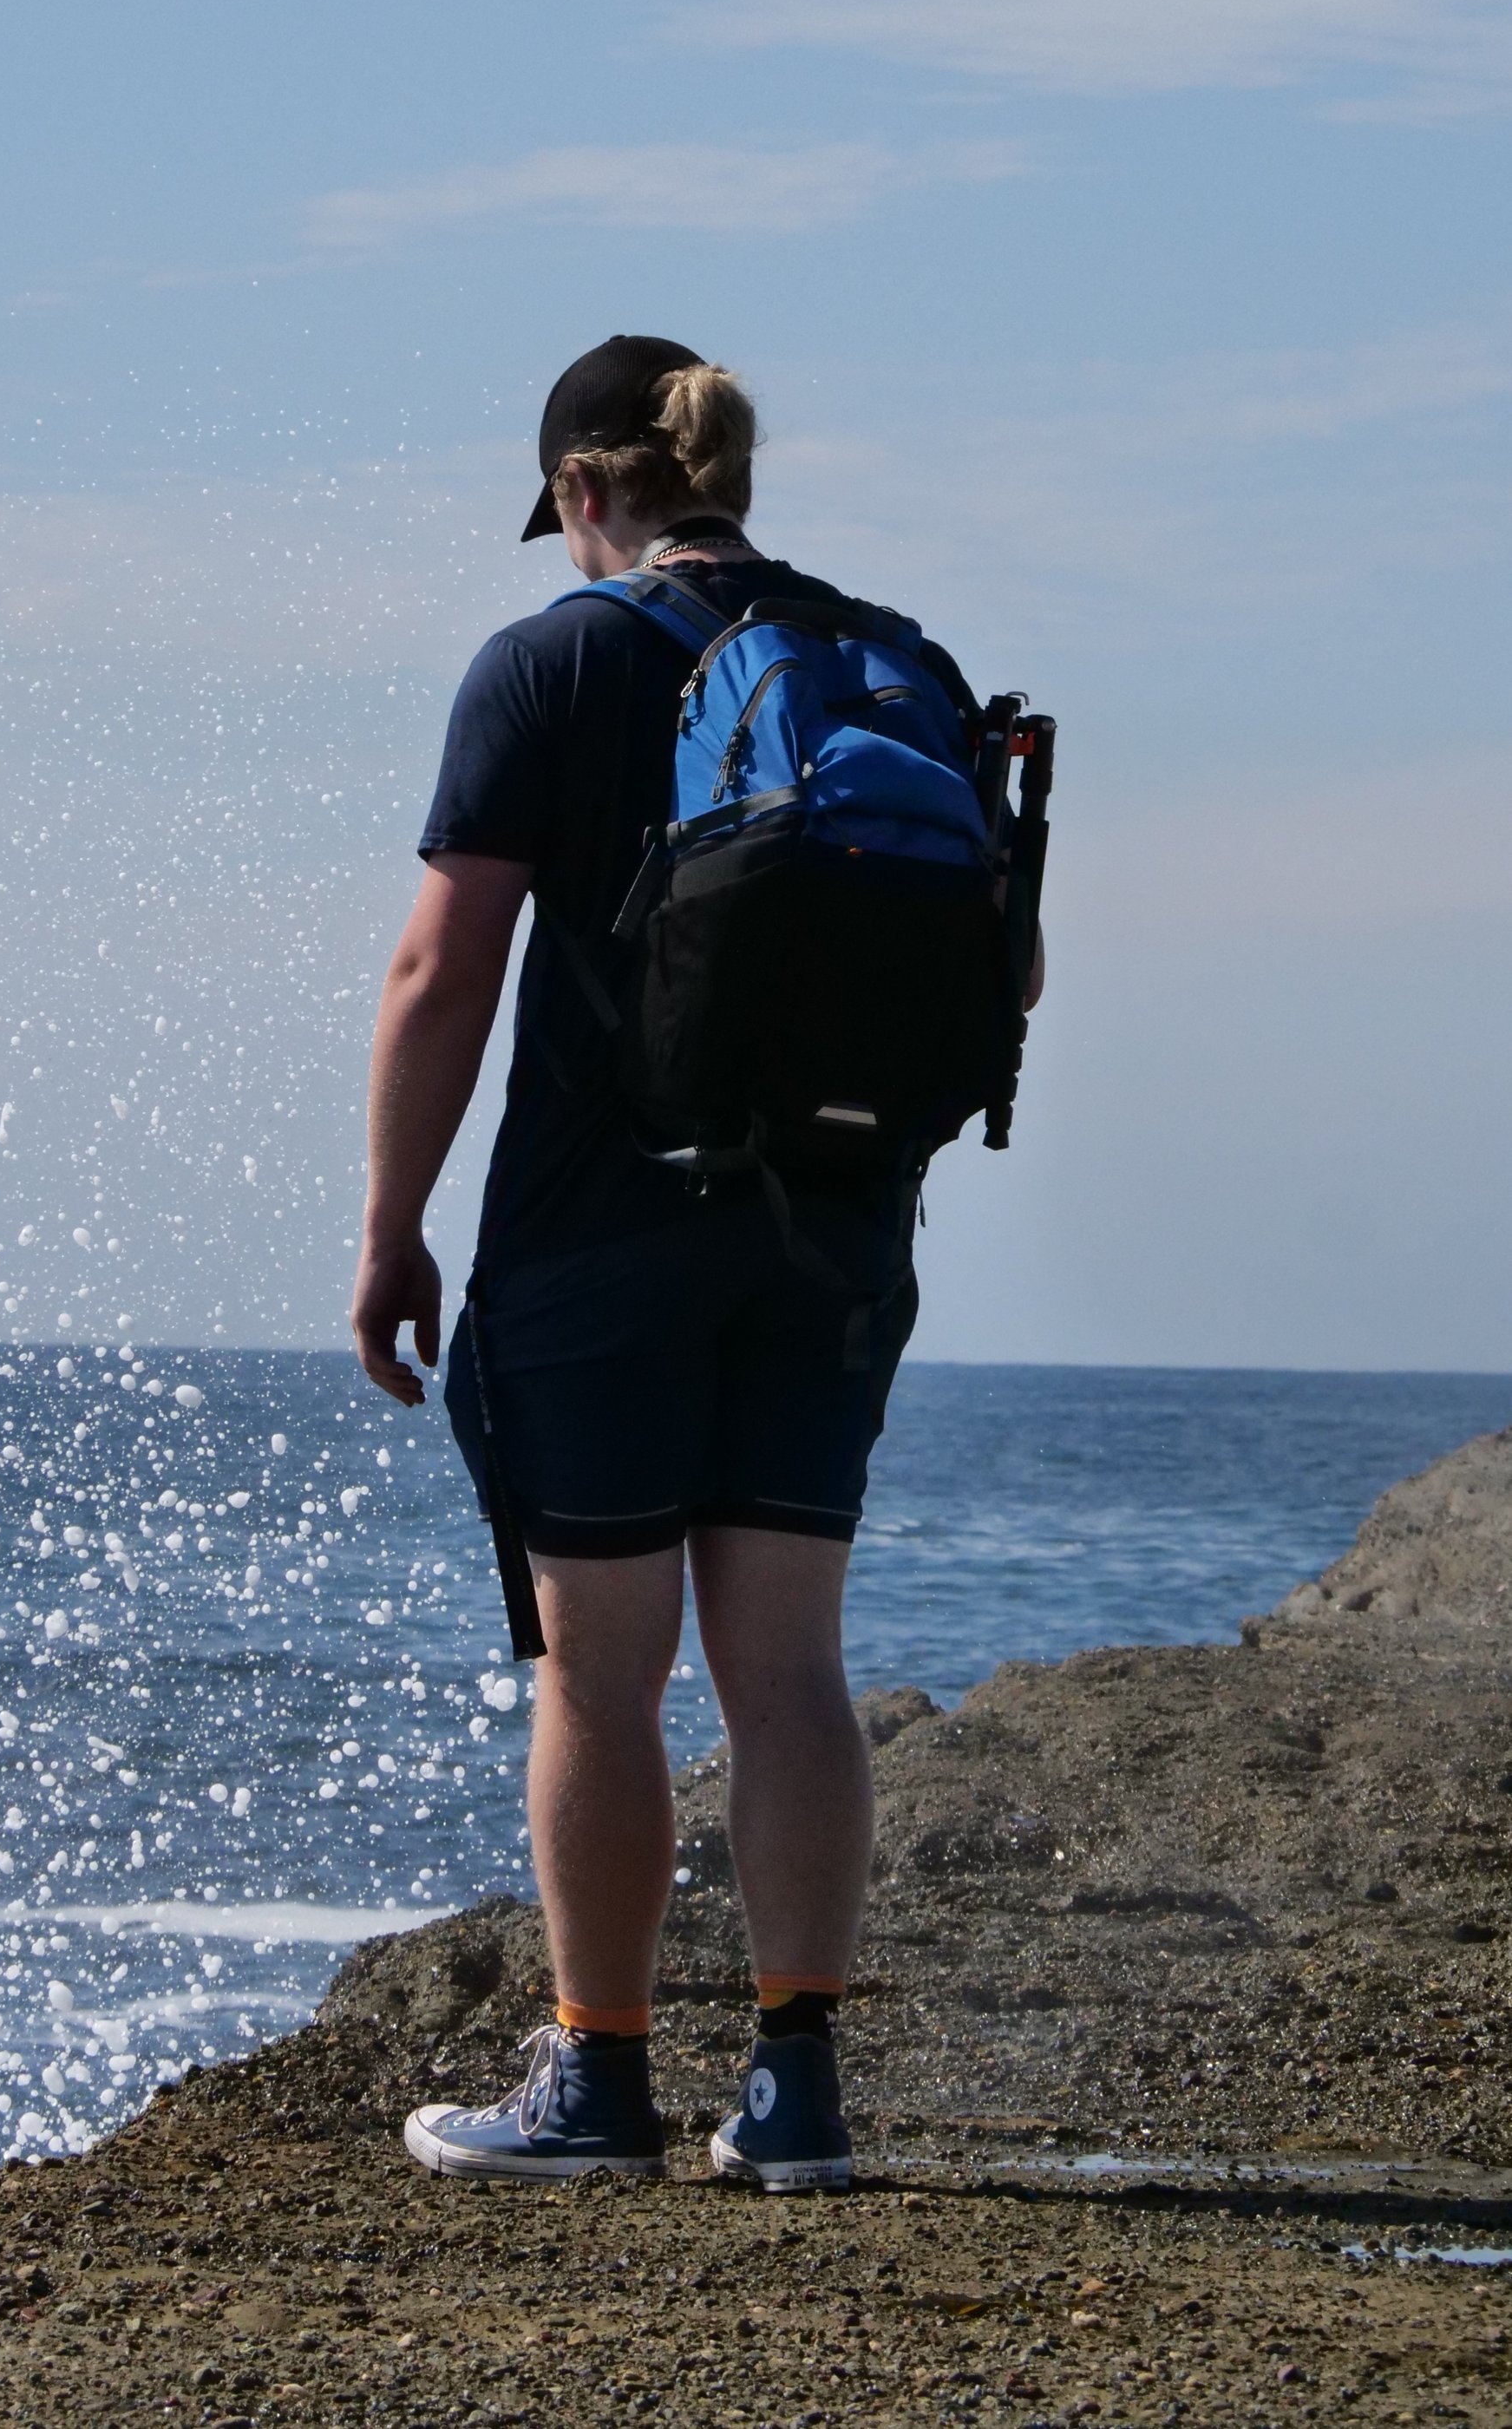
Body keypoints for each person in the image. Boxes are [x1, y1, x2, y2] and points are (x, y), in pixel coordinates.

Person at [350, 333, 1024, 2190]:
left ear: (584, 489)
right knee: (787, 1665)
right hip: (831, 1236)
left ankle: (599, 2074)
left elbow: (440, 969)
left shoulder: (547, 662)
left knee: (602, 1665)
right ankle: (797, 2087)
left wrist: (393, 1220)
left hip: (599, 1228)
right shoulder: (892, 657)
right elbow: (998, 966)